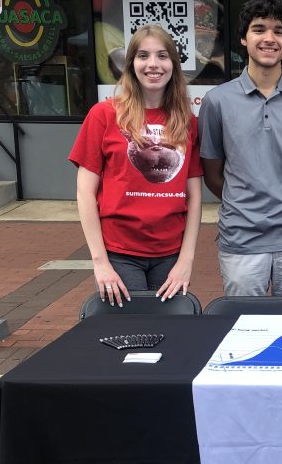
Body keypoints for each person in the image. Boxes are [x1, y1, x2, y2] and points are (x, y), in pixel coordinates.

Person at [199, 0, 282, 301]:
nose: (269, 38)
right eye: (259, 29)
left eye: (279, 31)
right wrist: (245, 203)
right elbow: (213, 174)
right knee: (245, 329)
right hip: (241, 238)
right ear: (243, 39)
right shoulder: (217, 101)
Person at [69, 24, 202, 305]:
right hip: (120, 254)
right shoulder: (104, 115)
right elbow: (84, 193)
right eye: (143, 56)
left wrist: (186, 260)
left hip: (170, 255)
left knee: (169, 335)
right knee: (128, 336)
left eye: (162, 56)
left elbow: (194, 196)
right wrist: (100, 262)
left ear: (174, 65)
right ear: (131, 65)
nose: (153, 64)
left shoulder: (187, 122)